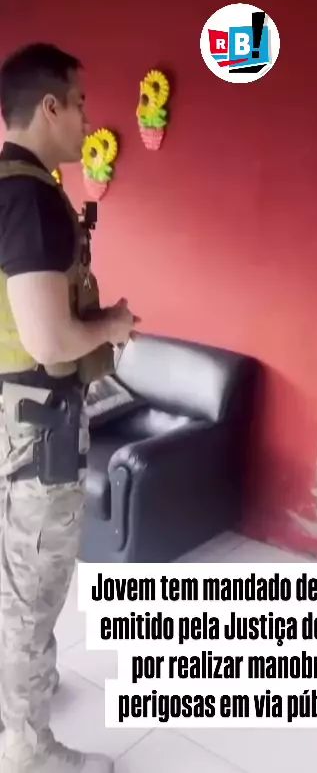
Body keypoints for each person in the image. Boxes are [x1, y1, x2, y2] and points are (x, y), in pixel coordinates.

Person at [0, 44, 136, 771]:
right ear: (49, 106)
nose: (87, 118)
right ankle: (27, 748)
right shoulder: (32, 200)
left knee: (13, 576)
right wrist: (111, 325)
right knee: (34, 587)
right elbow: (51, 339)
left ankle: (28, 691)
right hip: (38, 423)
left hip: (10, 409)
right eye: (80, 103)